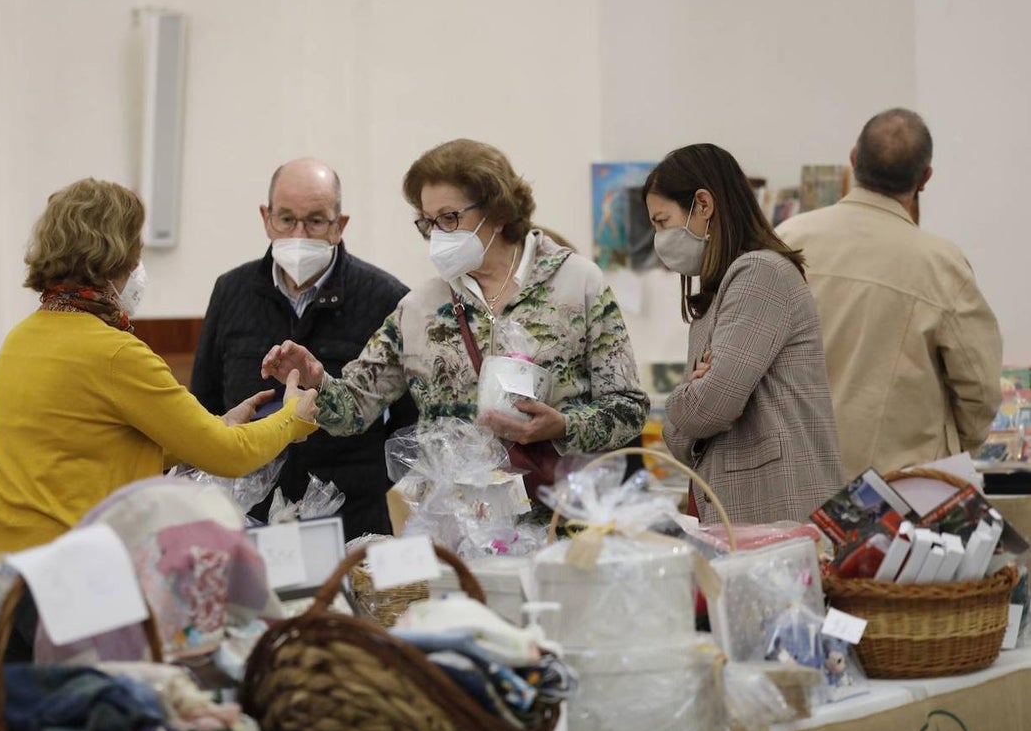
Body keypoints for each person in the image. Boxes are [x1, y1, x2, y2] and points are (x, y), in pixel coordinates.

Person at [262, 139, 648, 497]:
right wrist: (318, 380)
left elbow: (629, 407)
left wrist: (564, 426)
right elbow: (353, 411)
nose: (437, 234)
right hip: (455, 530)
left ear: (496, 210)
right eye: (428, 222)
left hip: (560, 521)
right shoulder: (421, 307)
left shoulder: (577, 284)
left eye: (449, 218)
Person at [0, 178, 319, 556]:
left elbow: (97, 447)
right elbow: (228, 455)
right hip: (65, 576)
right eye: (137, 252)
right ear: (115, 257)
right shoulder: (117, 354)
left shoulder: (20, 339)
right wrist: (292, 418)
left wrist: (218, 424)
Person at [191, 158, 416, 540]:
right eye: (286, 219)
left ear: (339, 225)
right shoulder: (231, 291)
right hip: (248, 519)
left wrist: (366, 481)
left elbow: (409, 422)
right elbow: (204, 403)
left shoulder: (386, 298)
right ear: (266, 217)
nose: (299, 233)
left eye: (315, 220)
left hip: (352, 522)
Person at [779, 109, 1002, 478]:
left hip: (794, 478)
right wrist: (957, 447)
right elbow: (979, 387)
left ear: (853, 158)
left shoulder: (787, 240)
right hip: (897, 493)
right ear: (925, 178)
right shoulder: (942, 265)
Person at [644, 144, 844, 524]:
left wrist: (684, 399)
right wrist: (696, 399)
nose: (659, 239)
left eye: (662, 221)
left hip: (776, 507)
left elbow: (709, 407)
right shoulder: (718, 294)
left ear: (703, 205)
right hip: (743, 511)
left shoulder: (759, 274)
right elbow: (683, 439)